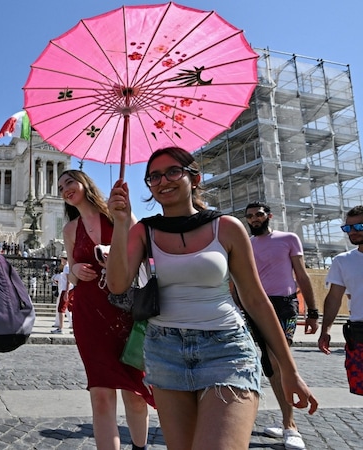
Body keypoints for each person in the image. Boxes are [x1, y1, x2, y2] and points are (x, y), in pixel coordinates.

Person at [105, 147, 317, 449]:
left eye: (173, 171)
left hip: (226, 349)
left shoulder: (227, 227)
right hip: (165, 351)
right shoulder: (143, 231)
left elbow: (256, 300)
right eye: (154, 176)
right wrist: (121, 224)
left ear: (195, 178)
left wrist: (290, 371)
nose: (163, 180)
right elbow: (116, 284)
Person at [57, 169, 153, 450]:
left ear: (85, 183)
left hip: (124, 310)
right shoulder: (70, 229)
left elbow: (143, 255)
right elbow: (72, 275)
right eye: (61, 186)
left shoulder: (118, 215)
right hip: (89, 313)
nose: (65, 189)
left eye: (70, 182)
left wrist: (116, 250)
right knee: (100, 394)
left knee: (134, 391)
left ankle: (139, 447)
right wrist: (74, 268)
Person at [240, 201, 318, 449]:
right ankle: (286, 420)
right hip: (253, 305)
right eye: (250, 216)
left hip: (284, 304)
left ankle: (290, 425)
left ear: (268, 216)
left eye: (258, 215)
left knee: (277, 359)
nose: (254, 219)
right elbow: (236, 281)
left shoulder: (288, 238)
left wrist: (314, 312)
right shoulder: (246, 244)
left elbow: (302, 275)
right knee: (268, 363)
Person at [319, 205, 363, 397]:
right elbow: (334, 298)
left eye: (359, 227)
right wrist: (325, 331)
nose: (352, 232)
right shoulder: (342, 261)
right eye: (348, 228)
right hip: (359, 333)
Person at [51, 254, 73, 334]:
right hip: (68, 289)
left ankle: (60, 328)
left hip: (65, 290)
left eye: (61, 259)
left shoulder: (67, 267)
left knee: (61, 309)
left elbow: (68, 280)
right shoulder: (69, 266)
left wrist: (66, 292)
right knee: (68, 308)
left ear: (64, 259)